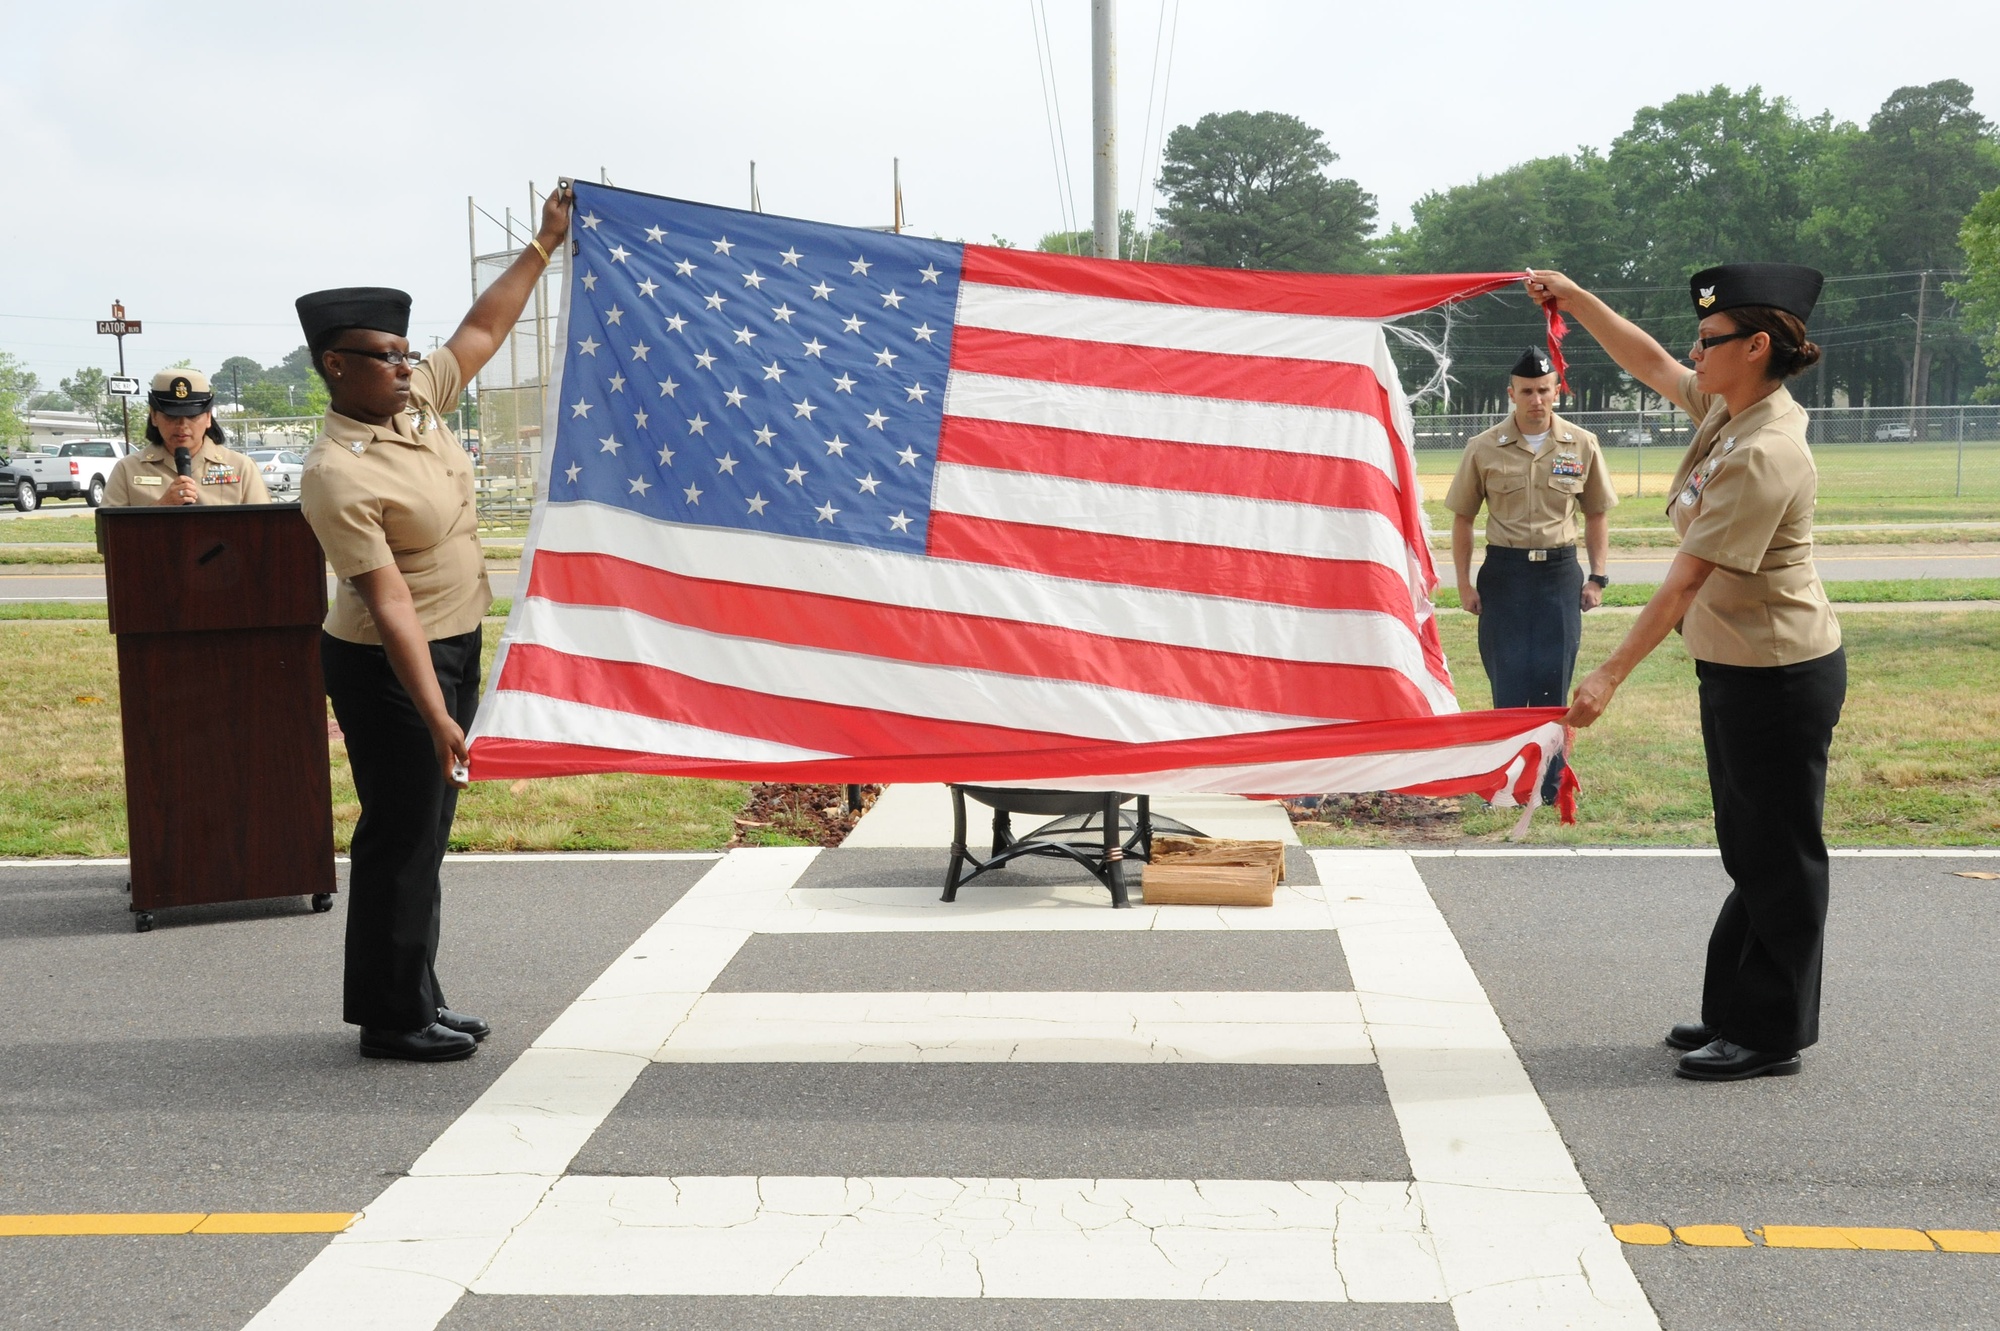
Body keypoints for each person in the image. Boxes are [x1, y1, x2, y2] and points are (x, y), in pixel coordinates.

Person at [1528, 262, 1843, 1082]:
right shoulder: (1731, 412)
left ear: (1758, 345)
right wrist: (1576, 295)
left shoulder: (1765, 450)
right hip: (1736, 667)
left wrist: (1607, 676)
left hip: (1777, 673)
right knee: (1750, 845)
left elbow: (1686, 579)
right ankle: (1737, 1007)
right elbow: (1644, 361)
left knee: (1780, 851)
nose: (1692, 353)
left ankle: (1770, 1032)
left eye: (1709, 341)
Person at [297, 184, 572, 1062]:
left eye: (407, 353)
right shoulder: (337, 472)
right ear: (336, 365)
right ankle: (390, 1019)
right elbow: (388, 604)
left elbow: (481, 333)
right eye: (385, 357)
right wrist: (439, 711)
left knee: (426, 832)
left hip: (449, 642)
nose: (406, 367)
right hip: (389, 666)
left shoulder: (412, 402)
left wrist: (543, 244)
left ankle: (419, 992)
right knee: (402, 834)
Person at [1443, 346, 1616, 832]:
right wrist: (1463, 582)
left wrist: (1597, 576)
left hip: (1559, 573)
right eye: (1527, 391)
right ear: (1511, 394)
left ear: (1556, 391)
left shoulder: (1581, 444)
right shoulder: (1483, 447)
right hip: (1505, 574)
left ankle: (1549, 782)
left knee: (1553, 681)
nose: (1536, 400)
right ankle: (1505, 784)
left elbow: (1597, 512)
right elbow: (1463, 517)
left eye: (1544, 390)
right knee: (1507, 682)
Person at [104, 368, 271, 507]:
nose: (182, 425)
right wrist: (162, 506)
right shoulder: (128, 469)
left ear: (208, 418)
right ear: (154, 416)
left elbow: (264, 529)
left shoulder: (241, 467)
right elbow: (111, 534)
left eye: (192, 416)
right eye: (171, 416)